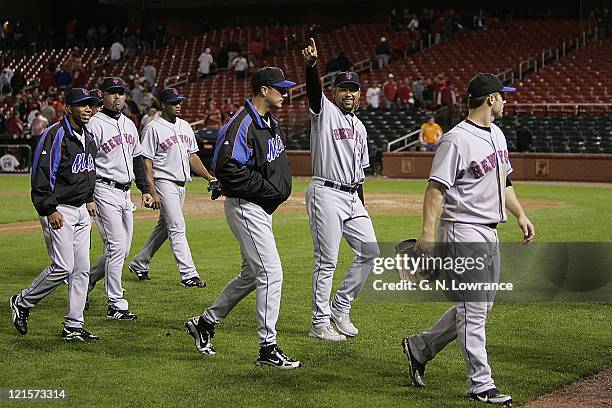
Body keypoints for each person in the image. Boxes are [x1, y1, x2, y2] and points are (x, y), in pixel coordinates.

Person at [402, 73, 535, 406]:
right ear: (490, 99)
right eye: (502, 96)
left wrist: (520, 214)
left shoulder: (498, 135)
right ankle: (481, 384)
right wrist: (428, 232)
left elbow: (504, 183)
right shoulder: (456, 139)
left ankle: (421, 347)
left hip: (489, 231)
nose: (506, 100)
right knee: (474, 310)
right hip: (462, 230)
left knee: (478, 308)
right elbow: (435, 189)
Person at [184, 66, 301, 369]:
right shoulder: (241, 123)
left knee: (251, 274)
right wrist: (268, 191)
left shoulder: (270, 123)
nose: (285, 93)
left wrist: (274, 191)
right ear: (264, 90)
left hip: (259, 207)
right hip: (246, 207)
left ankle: (205, 322)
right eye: (280, 88)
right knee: (271, 273)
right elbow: (228, 169)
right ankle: (267, 347)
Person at [302, 38, 379, 342]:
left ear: (359, 94)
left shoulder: (360, 128)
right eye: (343, 89)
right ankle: (319, 322)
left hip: (352, 196)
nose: (349, 94)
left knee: (370, 251)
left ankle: (340, 306)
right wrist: (311, 67)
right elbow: (312, 93)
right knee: (327, 260)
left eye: (353, 89)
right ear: (333, 93)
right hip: (326, 192)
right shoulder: (324, 113)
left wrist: (361, 205)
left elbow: (360, 173)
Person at [10, 88, 99, 341]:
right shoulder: (55, 135)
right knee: (63, 266)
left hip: (81, 210)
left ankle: (73, 325)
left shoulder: (88, 136)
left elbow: (88, 172)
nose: (87, 109)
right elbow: (41, 172)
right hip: (59, 209)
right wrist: (49, 208)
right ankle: (23, 301)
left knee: (82, 270)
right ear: (68, 108)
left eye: (90, 105)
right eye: (82, 105)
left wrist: (89, 198)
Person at [128, 88, 216, 284]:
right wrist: (152, 191)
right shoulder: (153, 128)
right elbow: (147, 162)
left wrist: (210, 178)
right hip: (163, 182)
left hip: (181, 184)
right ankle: (189, 274)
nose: (178, 105)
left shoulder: (185, 126)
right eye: (174, 102)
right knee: (177, 226)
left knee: (165, 227)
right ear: (163, 105)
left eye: (180, 101)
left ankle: (140, 262)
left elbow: (192, 156)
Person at [86, 77, 153, 320]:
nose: (117, 97)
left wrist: (145, 189)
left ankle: (86, 281)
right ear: (102, 95)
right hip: (103, 190)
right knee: (116, 247)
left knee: (122, 250)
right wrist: (88, 195)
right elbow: (87, 163)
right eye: (112, 92)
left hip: (125, 193)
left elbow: (137, 158)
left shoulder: (129, 123)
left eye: (121, 93)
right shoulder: (94, 124)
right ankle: (116, 303)